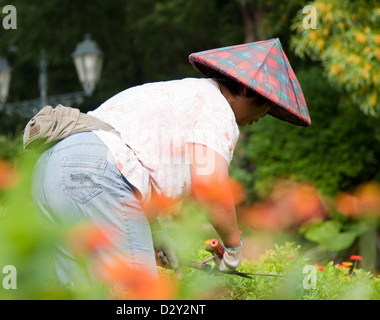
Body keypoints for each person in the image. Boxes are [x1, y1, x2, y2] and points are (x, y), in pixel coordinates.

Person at [30, 38, 310, 286]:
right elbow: (209, 184)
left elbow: (132, 165)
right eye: (266, 105)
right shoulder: (218, 108)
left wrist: (157, 237)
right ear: (249, 91)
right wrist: (234, 247)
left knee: (83, 292)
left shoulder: (183, 93)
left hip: (50, 171)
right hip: (96, 173)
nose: (264, 115)